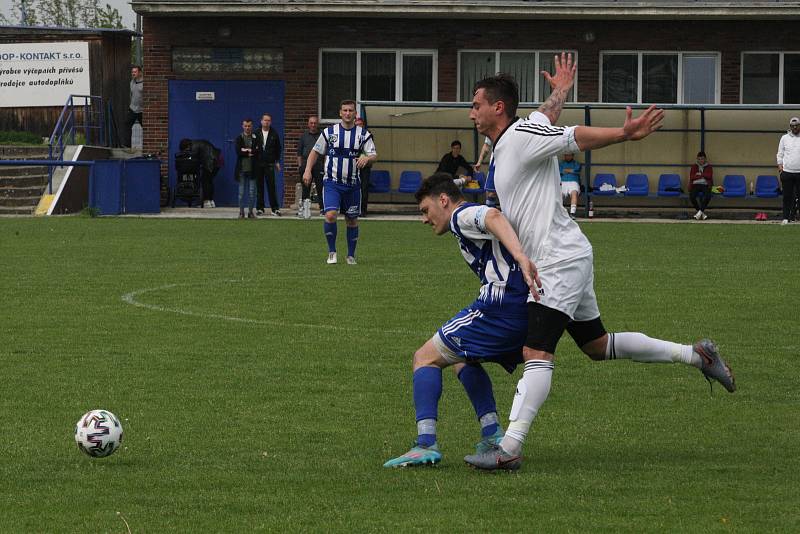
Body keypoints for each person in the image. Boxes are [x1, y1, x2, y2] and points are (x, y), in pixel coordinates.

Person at [463, 53, 736, 472]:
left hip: (557, 260)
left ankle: (510, 447)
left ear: (497, 107)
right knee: (596, 346)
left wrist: (625, 133)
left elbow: (574, 136)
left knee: (536, 351)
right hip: (564, 256)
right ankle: (697, 355)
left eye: (476, 104)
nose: (471, 112)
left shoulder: (519, 136)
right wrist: (560, 92)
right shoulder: (516, 136)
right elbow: (547, 117)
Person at [383, 173, 541, 468]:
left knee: (424, 358)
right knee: (461, 359)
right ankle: (492, 434)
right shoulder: (462, 221)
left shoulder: (460, 215)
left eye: (425, 210)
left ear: (443, 200)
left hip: (499, 308)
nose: (424, 219)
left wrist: (520, 256)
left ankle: (425, 444)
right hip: (522, 310)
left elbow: (491, 215)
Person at [303, 100, 377, 265]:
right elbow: (315, 152)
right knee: (330, 215)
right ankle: (332, 252)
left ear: (355, 113)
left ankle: (350, 255)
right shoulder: (330, 132)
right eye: (345, 110)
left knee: (351, 220)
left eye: (351, 110)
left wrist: (366, 157)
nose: (348, 113)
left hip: (352, 185)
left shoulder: (363, 134)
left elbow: (373, 154)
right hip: (332, 182)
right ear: (340, 113)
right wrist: (308, 169)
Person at [297, 115, 324, 218]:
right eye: (311, 123)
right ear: (308, 124)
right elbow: (299, 153)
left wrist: (324, 166)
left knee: (321, 187)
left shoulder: (322, 135)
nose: (313, 125)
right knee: (305, 187)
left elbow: (325, 152)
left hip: (319, 165)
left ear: (317, 124)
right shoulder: (303, 136)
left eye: (315, 123)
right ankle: (304, 209)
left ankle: (322, 209)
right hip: (305, 166)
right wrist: (301, 167)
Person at [255, 113, 282, 216]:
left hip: (270, 164)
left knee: (271, 187)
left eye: (268, 120)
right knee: (259, 187)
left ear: (270, 122)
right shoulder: (256, 133)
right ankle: (260, 208)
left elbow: (278, 149)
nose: (266, 122)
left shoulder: (274, 134)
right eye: (265, 120)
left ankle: (275, 209)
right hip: (258, 164)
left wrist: (277, 161)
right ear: (261, 121)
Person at [234, 118, 259, 219]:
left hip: (253, 169)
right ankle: (241, 212)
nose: (247, 128)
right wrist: (250, 151)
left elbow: (258, 151)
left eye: (249, 126)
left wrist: (246, 150)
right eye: (245, 126)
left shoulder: (255, 137)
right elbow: (239, 152)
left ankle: (250, 212)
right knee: (241, 193)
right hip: (241, 170)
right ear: (242, 126)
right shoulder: (239, 138)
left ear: (251, 126)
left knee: (252, 193)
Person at [777, 116, 800, 225]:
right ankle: (786, 218)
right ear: (790, 127)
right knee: (787, 196)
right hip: (787, 172)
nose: (795, 127)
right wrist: (780, 167)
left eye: (797, 126)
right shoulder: (784, 138)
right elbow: (780, 154)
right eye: (793, 126)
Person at [356, 116, 374, 217]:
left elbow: (370, 151)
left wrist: (364, 157)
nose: (358, 126)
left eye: (360, 125)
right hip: (354, 166)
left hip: (365, 166)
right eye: (357, 125)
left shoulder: (368, 135)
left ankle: (363, 210)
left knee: (364, 188)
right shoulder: (352, 134)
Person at [688, 151, 713, 220]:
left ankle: (699, 213)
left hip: (705, 184)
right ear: (697, 159)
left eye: (702, 159)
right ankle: (701, 213)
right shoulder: (694, 166)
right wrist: (703, 176)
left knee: (708, 196)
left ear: (705, 159)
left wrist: (700, 174)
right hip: (696, 184)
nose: (700, 160)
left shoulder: (709, 167)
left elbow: (709, 176)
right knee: (692, 196)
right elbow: (692, 177)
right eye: (699, 159)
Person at [559, 152, 581, 218]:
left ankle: (572, 213)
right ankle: (559, 214)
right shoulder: (561, 164)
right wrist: (571, 171)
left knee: (574, 193)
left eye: (569, 155)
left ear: (572, 156)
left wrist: (566, 170)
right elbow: (560, 170)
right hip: (563, 181)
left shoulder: (576, 163)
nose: (567, 157)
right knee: (560, 195)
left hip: (574, 182)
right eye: (566, 155)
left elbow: (577, 170)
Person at [126, 65, 143, 148]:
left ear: (140, 72)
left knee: (147, 128)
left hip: (142, 110)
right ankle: (127, 146)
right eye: (132, 72)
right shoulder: (132, 82)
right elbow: (132, 95)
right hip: (133, 108)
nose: (133, 73)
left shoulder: (144, 83)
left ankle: (148, 146)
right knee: (127, 125)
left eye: (135, 72)